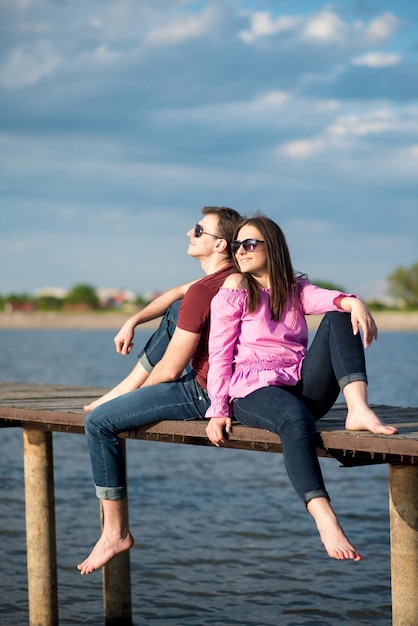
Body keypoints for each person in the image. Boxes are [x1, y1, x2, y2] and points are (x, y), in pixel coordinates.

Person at [205, 214, 398, 562]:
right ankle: (325, 517)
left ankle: (357, 408)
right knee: (295, 419)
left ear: (272, 246)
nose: (241, 251)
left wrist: (354, 302)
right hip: (253, 391)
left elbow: (332, 300)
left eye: (249, 243)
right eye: (237, 245)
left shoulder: (295, 289)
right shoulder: (236, 288)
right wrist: (217, 409)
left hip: (300, 386)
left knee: (339, 315)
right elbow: (219, 353)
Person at [77, 205, 242, 575]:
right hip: (227, 386)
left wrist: (134, 403)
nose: (189, 233)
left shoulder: (206, 292)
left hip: (205, 394)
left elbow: (168, 371)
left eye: (198, 230)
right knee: (176, 308)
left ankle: (115, 532)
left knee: (100, 424)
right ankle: (117, 393)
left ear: (219, 245)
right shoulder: (228, 278)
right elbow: (176, 296)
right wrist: (133, 319)